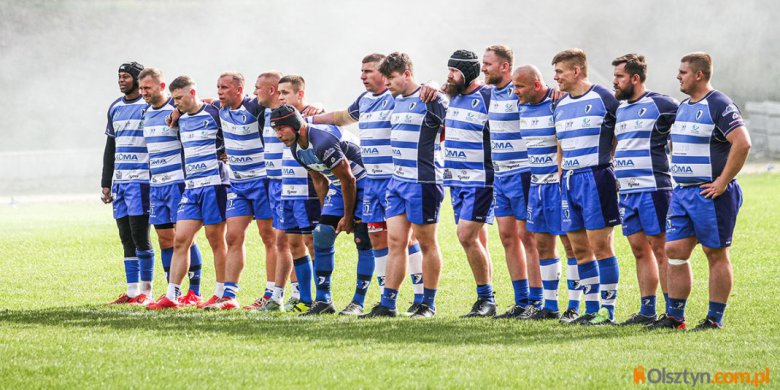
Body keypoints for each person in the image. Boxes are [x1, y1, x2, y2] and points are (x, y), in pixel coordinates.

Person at [311, 53, 426, 316]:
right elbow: (341, 117)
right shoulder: (365, 100)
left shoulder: (395, 97)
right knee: (377, 240)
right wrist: (311, 117)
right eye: (361, 71)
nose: (363, 76)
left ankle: (420, 298)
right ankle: (387, 300)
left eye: (369, 71)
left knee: (405, 239)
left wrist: (430, 83)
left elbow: (422, 91)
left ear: (386, 73)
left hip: (395, 179)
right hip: (372, 182)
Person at [648, 52, 750, 330]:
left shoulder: (719, 103)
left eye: (682, 72)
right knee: (675, 249)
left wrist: (723, 181)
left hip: (710, 193)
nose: (678, 76)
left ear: (699, 75)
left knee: (715, 253)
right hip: (682, 193)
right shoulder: (683, 105)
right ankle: (675, 317)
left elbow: (742, 143)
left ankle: (714, 319)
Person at [360, 52, 447, 318]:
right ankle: (388, 303)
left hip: (423, 182)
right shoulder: (395, 100)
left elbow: (448, 112)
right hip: (397, 182)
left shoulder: (431, 98)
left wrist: (434, 85)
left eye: (392, 78)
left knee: (427, 242)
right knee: (395, 241)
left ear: (407, 74)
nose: (387, 84)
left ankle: (427, 304)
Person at [271, 104, 371, 316]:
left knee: (363, 239)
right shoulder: (295, 147)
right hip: (340, 184)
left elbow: (350, 180)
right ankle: (323, 300)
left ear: (296, 126)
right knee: (322, 234)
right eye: (275, 130)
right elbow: (318, 179)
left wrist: (347, 216)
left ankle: (358, 302)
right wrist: (328, 215)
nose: (278, 135)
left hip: (365, 182)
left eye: (282, 129)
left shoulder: (322, 142)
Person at [551, 49, 621, 325]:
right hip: (569, 180)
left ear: (577, 71)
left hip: (596, 178)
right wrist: (560, 174)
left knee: (601, 246)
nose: (555, 77)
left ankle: (608, 310)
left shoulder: (604, 98)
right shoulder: (560, 104)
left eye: (559, 72)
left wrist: (609, 161)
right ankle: (591, 309)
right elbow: (560, 145)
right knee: (578, 248)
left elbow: (619, 132)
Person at [148, 75, 229, 310]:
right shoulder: (179, 118)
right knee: (180, 239)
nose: (176, 103)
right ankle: (172, 295)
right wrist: (175, 112)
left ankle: (221, 293)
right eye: (173, 99)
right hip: (191, 187)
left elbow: (236, 130)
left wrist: (226, 154)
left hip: (215, 185)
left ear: (193, 93)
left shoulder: (214, 113)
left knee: (216, 241)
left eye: (180, 98)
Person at [609, 54, 678, 325]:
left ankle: (672, 312)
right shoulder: (621, 109)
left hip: (654, 189)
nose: (615, 82)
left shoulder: (662, 104)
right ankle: (647, 310)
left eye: (619, 77)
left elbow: (686, 130)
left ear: (635, 78)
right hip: (627, 192)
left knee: (661, 250)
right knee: (639, 250)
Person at [480, 45, 545, 319]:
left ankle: (537, 300)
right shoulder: (488, 93)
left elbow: (546, 97)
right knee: (507, 237)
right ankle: (520, 300)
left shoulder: (519, 90)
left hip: (523, 172)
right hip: (501, 175)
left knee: (526, 238)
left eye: (488, 64)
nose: (483, 68)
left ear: (505, 66)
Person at [203, 72, 276, 310]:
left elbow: (282, 100)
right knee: (232, 236)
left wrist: (317, 106)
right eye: (218, 87)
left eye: (224, 87)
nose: (219, 91)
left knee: (269, 237)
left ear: (239, 90)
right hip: (238, 184)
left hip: (262, 182)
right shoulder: (219, 109)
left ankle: (271, 293)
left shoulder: (254, 107)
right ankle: (229, 295)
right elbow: (191, 100)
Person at [511, 64, 579, 320]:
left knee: (571, 245)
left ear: (537, 85)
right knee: (542, 244)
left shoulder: (557, 103)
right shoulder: (521, 105)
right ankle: (550, 306)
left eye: (520, 86)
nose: (515, 91)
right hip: (536, 184)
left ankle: (574, 306)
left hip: (558, 185)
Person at [255, 74, 323, 313]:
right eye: (280, 93)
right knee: (286, 242)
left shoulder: (311, 115)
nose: (281, 97)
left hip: (305, 188)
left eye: (285, 93)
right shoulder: (269, 114)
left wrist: (319, 107)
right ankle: (294, 297)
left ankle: (321, 298)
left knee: (311, 243)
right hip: (280, 187)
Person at [138, 67, 203, 305]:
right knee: (165, 239)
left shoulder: (178, 111)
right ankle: (171, 291)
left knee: (185, 238)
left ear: (161, 86)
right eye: (142, 88)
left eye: (148, 87)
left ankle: (194, 291)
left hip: (178, 183)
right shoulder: (145, 113)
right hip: (157, 185)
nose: (144, 92)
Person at [440, 49, 497, 318]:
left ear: (469, 72)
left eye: (455, 71)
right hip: (457, 181)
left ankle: (487, 298)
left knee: (466, 236)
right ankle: (487, 300)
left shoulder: (487, 96)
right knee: (477, 240)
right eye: (449, 70)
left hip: (480, 180)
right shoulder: (453, 97)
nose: (449, 75)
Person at [102, 61, 155, 306]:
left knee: (140, 236)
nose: (121, 80)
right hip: (121, 183)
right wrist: (106, 182)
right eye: (119, 76)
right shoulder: (114, 107)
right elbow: (110, 147)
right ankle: (132, 292)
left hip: (142, 182)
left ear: (137, 79)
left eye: (125, 76)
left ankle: (147, 291)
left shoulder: (148, 106)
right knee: (125, 237)